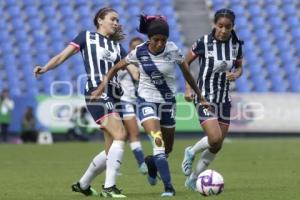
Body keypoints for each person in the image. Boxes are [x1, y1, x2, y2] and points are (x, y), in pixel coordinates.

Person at [90, 14, 207, 197]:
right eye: (155, 40)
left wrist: (199, 95)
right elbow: (115, 67)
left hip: (168, 104)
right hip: (146, 102)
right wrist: (101, 87)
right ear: (149, 38)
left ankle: (151, 165)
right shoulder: (139, 52)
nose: (159, 43)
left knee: (167, 149)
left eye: (163, 40)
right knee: (158, 143)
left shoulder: (173, 49)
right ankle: (169, 188)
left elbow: (187, 73)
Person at [34, 7, 127, 198]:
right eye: (113, 19)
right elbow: (61, 56)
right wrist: (45, 68)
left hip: (115, 96)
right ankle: (109, 188)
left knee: (111, 149)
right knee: (120, 134)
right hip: (96, 93)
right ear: (100, 20)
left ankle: (83, 184)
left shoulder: (118, 47)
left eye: (118, 20)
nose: (116, 23)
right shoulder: (86, 37)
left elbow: (131, 67)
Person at [181, 8, 244, 191]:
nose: (223, 30)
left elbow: (239, 67)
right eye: (220, 26)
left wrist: (236, 74)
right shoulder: (203, 42)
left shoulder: (236, 45)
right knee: (214, 137)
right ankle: (191, 151)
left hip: (224, 99)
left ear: (233, 27)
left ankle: (193, 179)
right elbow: (185, 64)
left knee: (217, 145)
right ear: (214, 24)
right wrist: (187, 88)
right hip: (204, 97)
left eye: (228, 27)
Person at [117, 37, 148, 174]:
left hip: (140, 101)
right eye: (134, 47)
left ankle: (112, 164)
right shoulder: (125, 64)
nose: (136, 49)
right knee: (133, 133)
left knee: (122, 135)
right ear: (129, 49)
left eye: (139, 46)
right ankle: (142, 163)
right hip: (126, 101)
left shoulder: (147, 63)